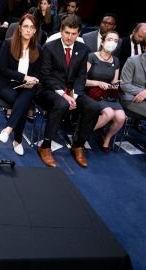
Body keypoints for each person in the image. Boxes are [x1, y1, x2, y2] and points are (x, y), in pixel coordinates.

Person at [35, 14, 99, 168]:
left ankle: (78, 145)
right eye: (67, 33)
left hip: (72, 91)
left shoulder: (83, 50)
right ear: (61, 31)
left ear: (78, 34)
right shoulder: (49, 47)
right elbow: (45, 76)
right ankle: (45, 146)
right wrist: (65, 95)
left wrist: (74, 96)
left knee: (93, 107)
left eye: (73, 34)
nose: (69, 37)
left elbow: (81, 76)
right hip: (49, 90)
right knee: (62, 104)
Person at [0, 13, 42, 156]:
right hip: (6, 84)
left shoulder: (39, 49)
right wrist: (24, 77)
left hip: (26, 88)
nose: (28, 30)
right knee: (23, 104)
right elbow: (2, 69)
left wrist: (32, 80)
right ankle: (17, 140)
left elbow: (38, 73)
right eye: (25, 26)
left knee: (27, 95)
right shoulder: (8, 43)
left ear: (35, 31)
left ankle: (8, 129)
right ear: (20, 28)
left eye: (31, 27)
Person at [85, 30, 125, 152]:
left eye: (115, 41)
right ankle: (83, 135)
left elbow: (113, 82)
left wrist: (116, 84)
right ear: (102, 42)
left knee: (121, 117)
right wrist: (98, 83)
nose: (112, 43)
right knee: (109, 114)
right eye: (109, 39)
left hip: (108, 94)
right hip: (92, 92)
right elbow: (82, 80)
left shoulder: (116, 61)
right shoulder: (91, 56)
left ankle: (106, 138)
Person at [120, 33, 146, 165]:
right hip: (130, 99)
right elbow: (124, 84)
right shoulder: (132, 61)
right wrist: (143, 92)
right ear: (145, 48)